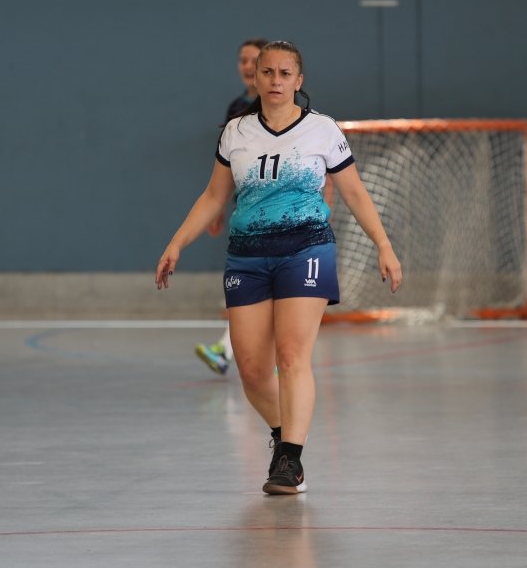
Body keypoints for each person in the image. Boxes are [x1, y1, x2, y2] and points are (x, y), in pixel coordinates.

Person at [157, 40, 402, 494]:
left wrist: (383, 245)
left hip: (305, 250)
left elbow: (354, 191)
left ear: (298, 81)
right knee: (252, 370)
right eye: (267, 72)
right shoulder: (236, 132)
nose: (275, 81)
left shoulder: (322, 130)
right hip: (247, 256)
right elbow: (214, 195)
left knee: (291, 357)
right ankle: (283, 434)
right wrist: (177, 242)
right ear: (255, 78)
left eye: (285, 74)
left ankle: (291, 459)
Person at [196, 38, 268, 376]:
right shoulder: (236, 108)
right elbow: (227, 167)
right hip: (246, 212)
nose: (247, 66)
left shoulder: (283, 106)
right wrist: (218, 208)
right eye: (242, 60)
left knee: (271, 287)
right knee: (247, 283)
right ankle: (229, 350)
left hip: (279, 212)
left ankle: (240, 353)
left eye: (254, 60)